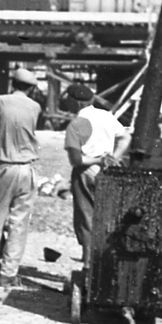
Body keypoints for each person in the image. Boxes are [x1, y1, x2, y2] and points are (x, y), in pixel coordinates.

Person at [0, 65, 42, 288]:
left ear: (13, 84)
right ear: (31, 89)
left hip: (3, 168)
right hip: (28, 170)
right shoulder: (35, 107)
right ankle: (7, 275)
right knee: (19, 225)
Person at [61, 83, 131, 258]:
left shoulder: (75, 124)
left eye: (68, 100)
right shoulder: (106, 116)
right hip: (107, 173)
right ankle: (101, 258)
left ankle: (88, 262)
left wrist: (97, 159)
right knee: (105, 216)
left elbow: (75, 160)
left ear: (75, 102)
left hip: (85, 172)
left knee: (86, 217)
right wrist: (113, 157)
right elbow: (125, 137)